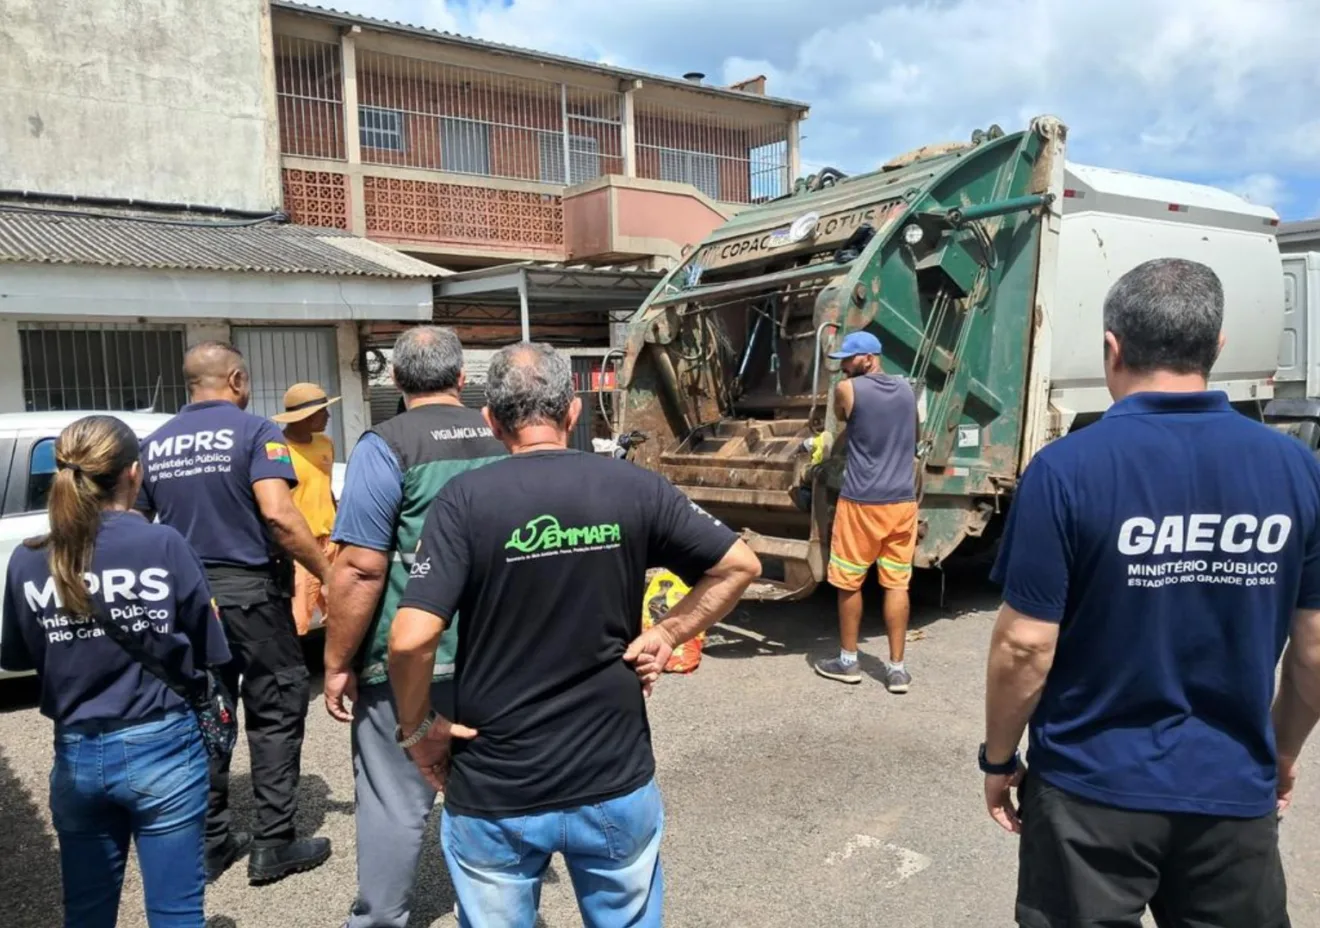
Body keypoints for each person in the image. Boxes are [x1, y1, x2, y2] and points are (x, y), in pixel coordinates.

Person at [983, 258, 1320, 928]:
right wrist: (1280, 752)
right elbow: (1314, 651)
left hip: (1089, 792)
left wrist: (998, 758)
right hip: (1231, 791)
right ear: (1217, 348)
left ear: (1112, 346)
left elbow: (1025, 645)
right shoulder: (1296, 468)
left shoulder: (1066, 469)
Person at [388, 342, 762, 927]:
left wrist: (420, 731)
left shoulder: (463, 501)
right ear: (572, 412)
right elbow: (739, 564)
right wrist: (668, 631)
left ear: (490, 421)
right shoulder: (631, 487)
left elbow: (410, 641)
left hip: (497, 784)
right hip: (612, 774)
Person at [0, 415, 230, 926]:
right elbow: (210, 646)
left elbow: (18, 657)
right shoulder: (163, 544)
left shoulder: (29, 558)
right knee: (175, 910)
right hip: (162, 744)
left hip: (77, 750)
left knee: (86, 909)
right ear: (133, 472)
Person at [324, 326, 505, 928]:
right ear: (461, 378)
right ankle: (494, 911)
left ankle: (380, 920)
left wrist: (337, 662)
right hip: (497, 654)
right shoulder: (505, 435)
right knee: (488, 790)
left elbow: (359, 568)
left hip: (410, 657)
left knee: (393, 800)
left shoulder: (386, 445)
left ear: (396, 382)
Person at [137, 341, 332, 886]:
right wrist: (329, 573)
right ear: (239, 380)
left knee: (208, 712)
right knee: (274, 708)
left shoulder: (154, 444)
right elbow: (279, 515)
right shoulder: (254, 432)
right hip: (252, 596)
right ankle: (274, 844)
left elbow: (134, 521)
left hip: (190, 603)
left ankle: (210, 842)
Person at [812, 330, 919, 693]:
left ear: (869, 358)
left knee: (848, 582)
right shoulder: (907, 389)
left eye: (848, 359)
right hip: (902, 503)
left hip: (861, 503)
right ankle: (897, 669)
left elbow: (843, 418)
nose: (843, 367)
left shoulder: (848, 391)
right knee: (896, 583)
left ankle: (848, 661)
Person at [272, 382, 341, 636]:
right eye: (323, 411)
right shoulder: (277, 449)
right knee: (297, 620)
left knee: (341, 614)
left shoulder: (325, 443)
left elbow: (326, 487)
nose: (328, 416)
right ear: (306, 417)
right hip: (301, 545)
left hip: (331, 540)